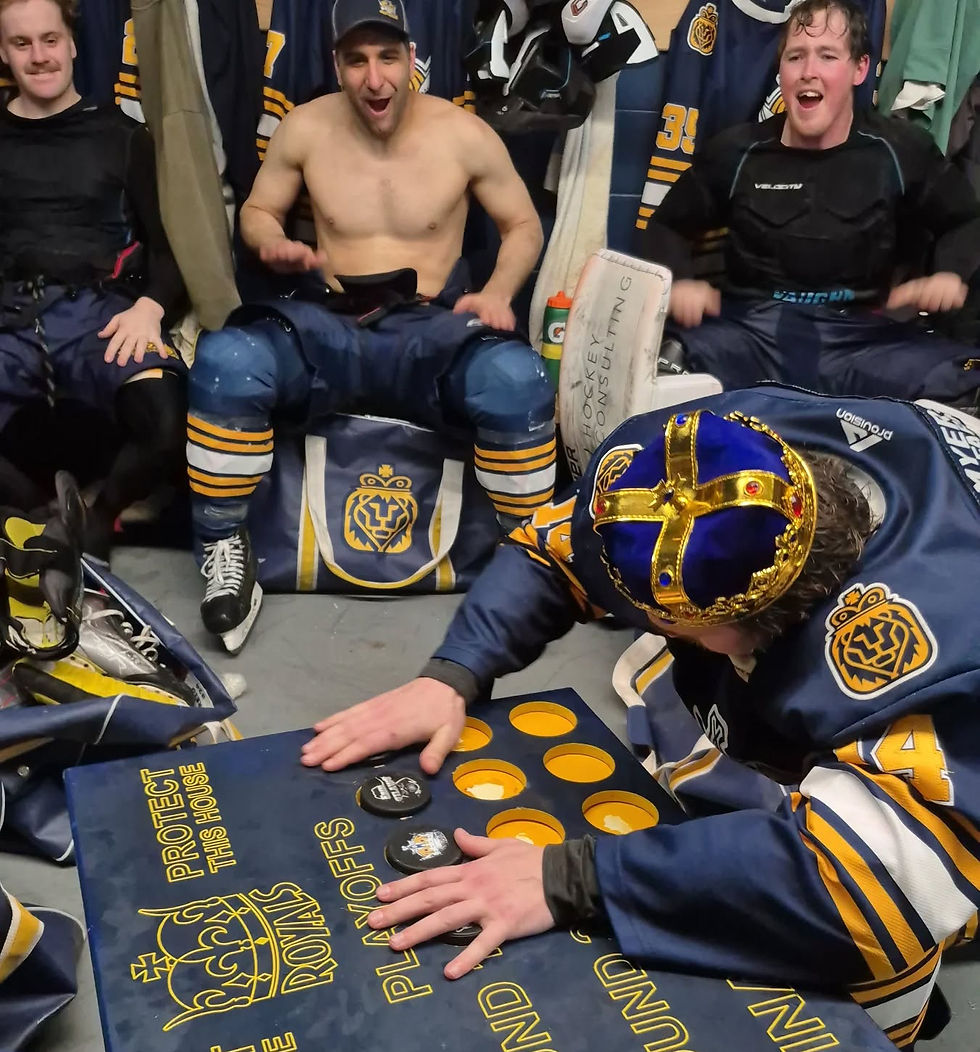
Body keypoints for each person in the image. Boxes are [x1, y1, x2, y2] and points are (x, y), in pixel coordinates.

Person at [302, 384, 980, 1048]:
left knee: (884, 919)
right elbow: (558, 552)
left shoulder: (926, 661)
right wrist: (452, 673)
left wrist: (574, 878)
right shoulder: (714, 455)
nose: (636, 621)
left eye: (666, 624)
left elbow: (868, 890)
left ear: (750, 627)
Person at [186, 0, 554, 654]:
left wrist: (498, 293)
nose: (374, 78)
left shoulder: (463, 133)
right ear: (337, 64)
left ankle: (526, 562)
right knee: (227, 362)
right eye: (357, 60)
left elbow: (523, 224)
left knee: (517, 379)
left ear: (412, 59)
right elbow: (258, 211)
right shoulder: (304, 127)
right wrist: (273, 243)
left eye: (388, 57)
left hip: (432, 326)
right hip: (333, 322)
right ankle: (224, 547)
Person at [636, 0, 980, 409]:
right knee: (662, 361)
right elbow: (667, 226)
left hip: (863, 341)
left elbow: (965, 219)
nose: (808, 71)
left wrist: (948, 274)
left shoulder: (900, 150)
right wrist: (680, 282)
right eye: (795, 56)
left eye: (827, 56)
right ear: (781, 70)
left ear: (860, 69)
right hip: (750, 336)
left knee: (966, 381)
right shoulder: (736, 151)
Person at [0, 0, 187, 563]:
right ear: (4, 53)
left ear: (73, 43)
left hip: (101, 315)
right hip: (10, 316)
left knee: (168, 423)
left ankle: (98, 516)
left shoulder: (125, 137)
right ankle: (44, 515)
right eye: (22, 43)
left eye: (50, 39)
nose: (39, 56)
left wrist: (150, 308)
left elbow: (168, 249)